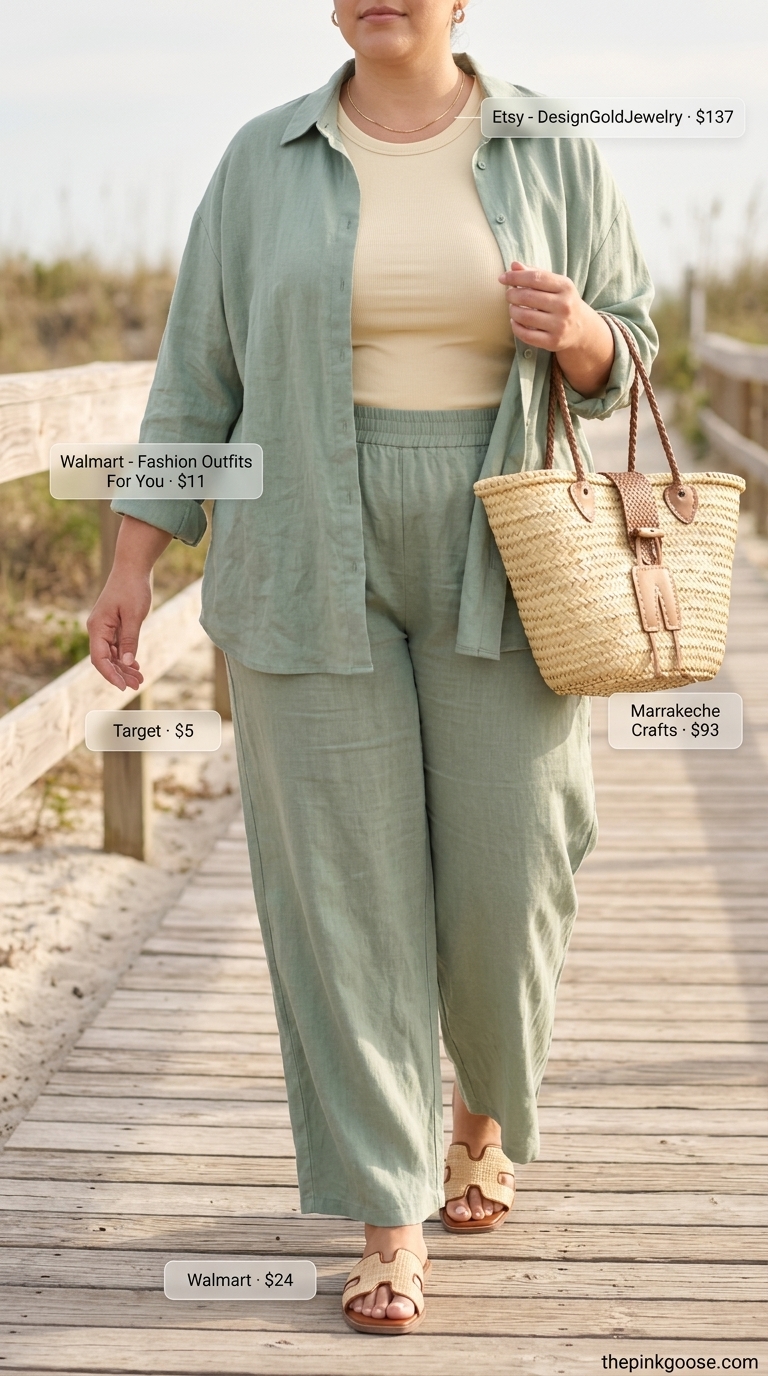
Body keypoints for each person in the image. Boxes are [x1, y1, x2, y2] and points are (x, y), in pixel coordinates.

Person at [87, 0, 657, 1337]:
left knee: (516, 867)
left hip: (509, 543)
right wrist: (131, 561)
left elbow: (630, 362)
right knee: (341, 887)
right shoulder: (259, 162)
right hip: (300, 551)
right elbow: (193, 379)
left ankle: (480, 1118)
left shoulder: (554, 149)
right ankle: (389, 1218)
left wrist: (578, 332)